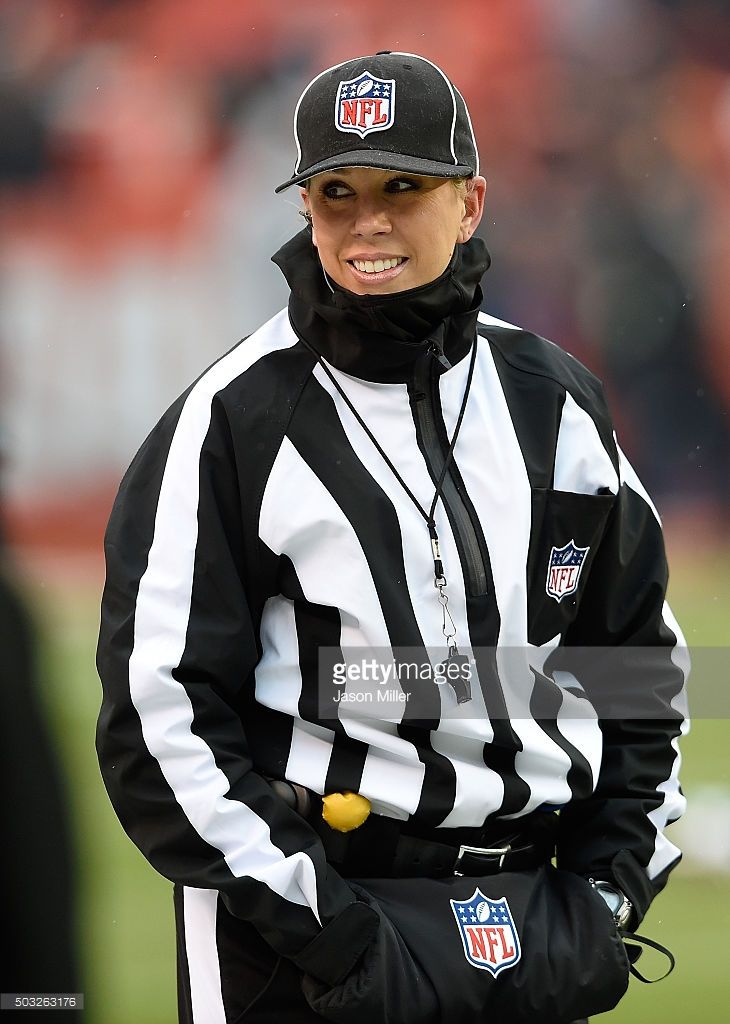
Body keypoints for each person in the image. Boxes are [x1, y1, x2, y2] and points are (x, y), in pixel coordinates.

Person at [96, 51, 688, 1024]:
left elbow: (637, 670)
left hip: (524, 922)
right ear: (306, 210)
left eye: (402, 187)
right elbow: (158, 720)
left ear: (471, 203)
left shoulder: (553, 404)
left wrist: (608, 888)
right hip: (299, 933)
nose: (367, 220)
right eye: (338, 192)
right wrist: (331, 931)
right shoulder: (232, 422)